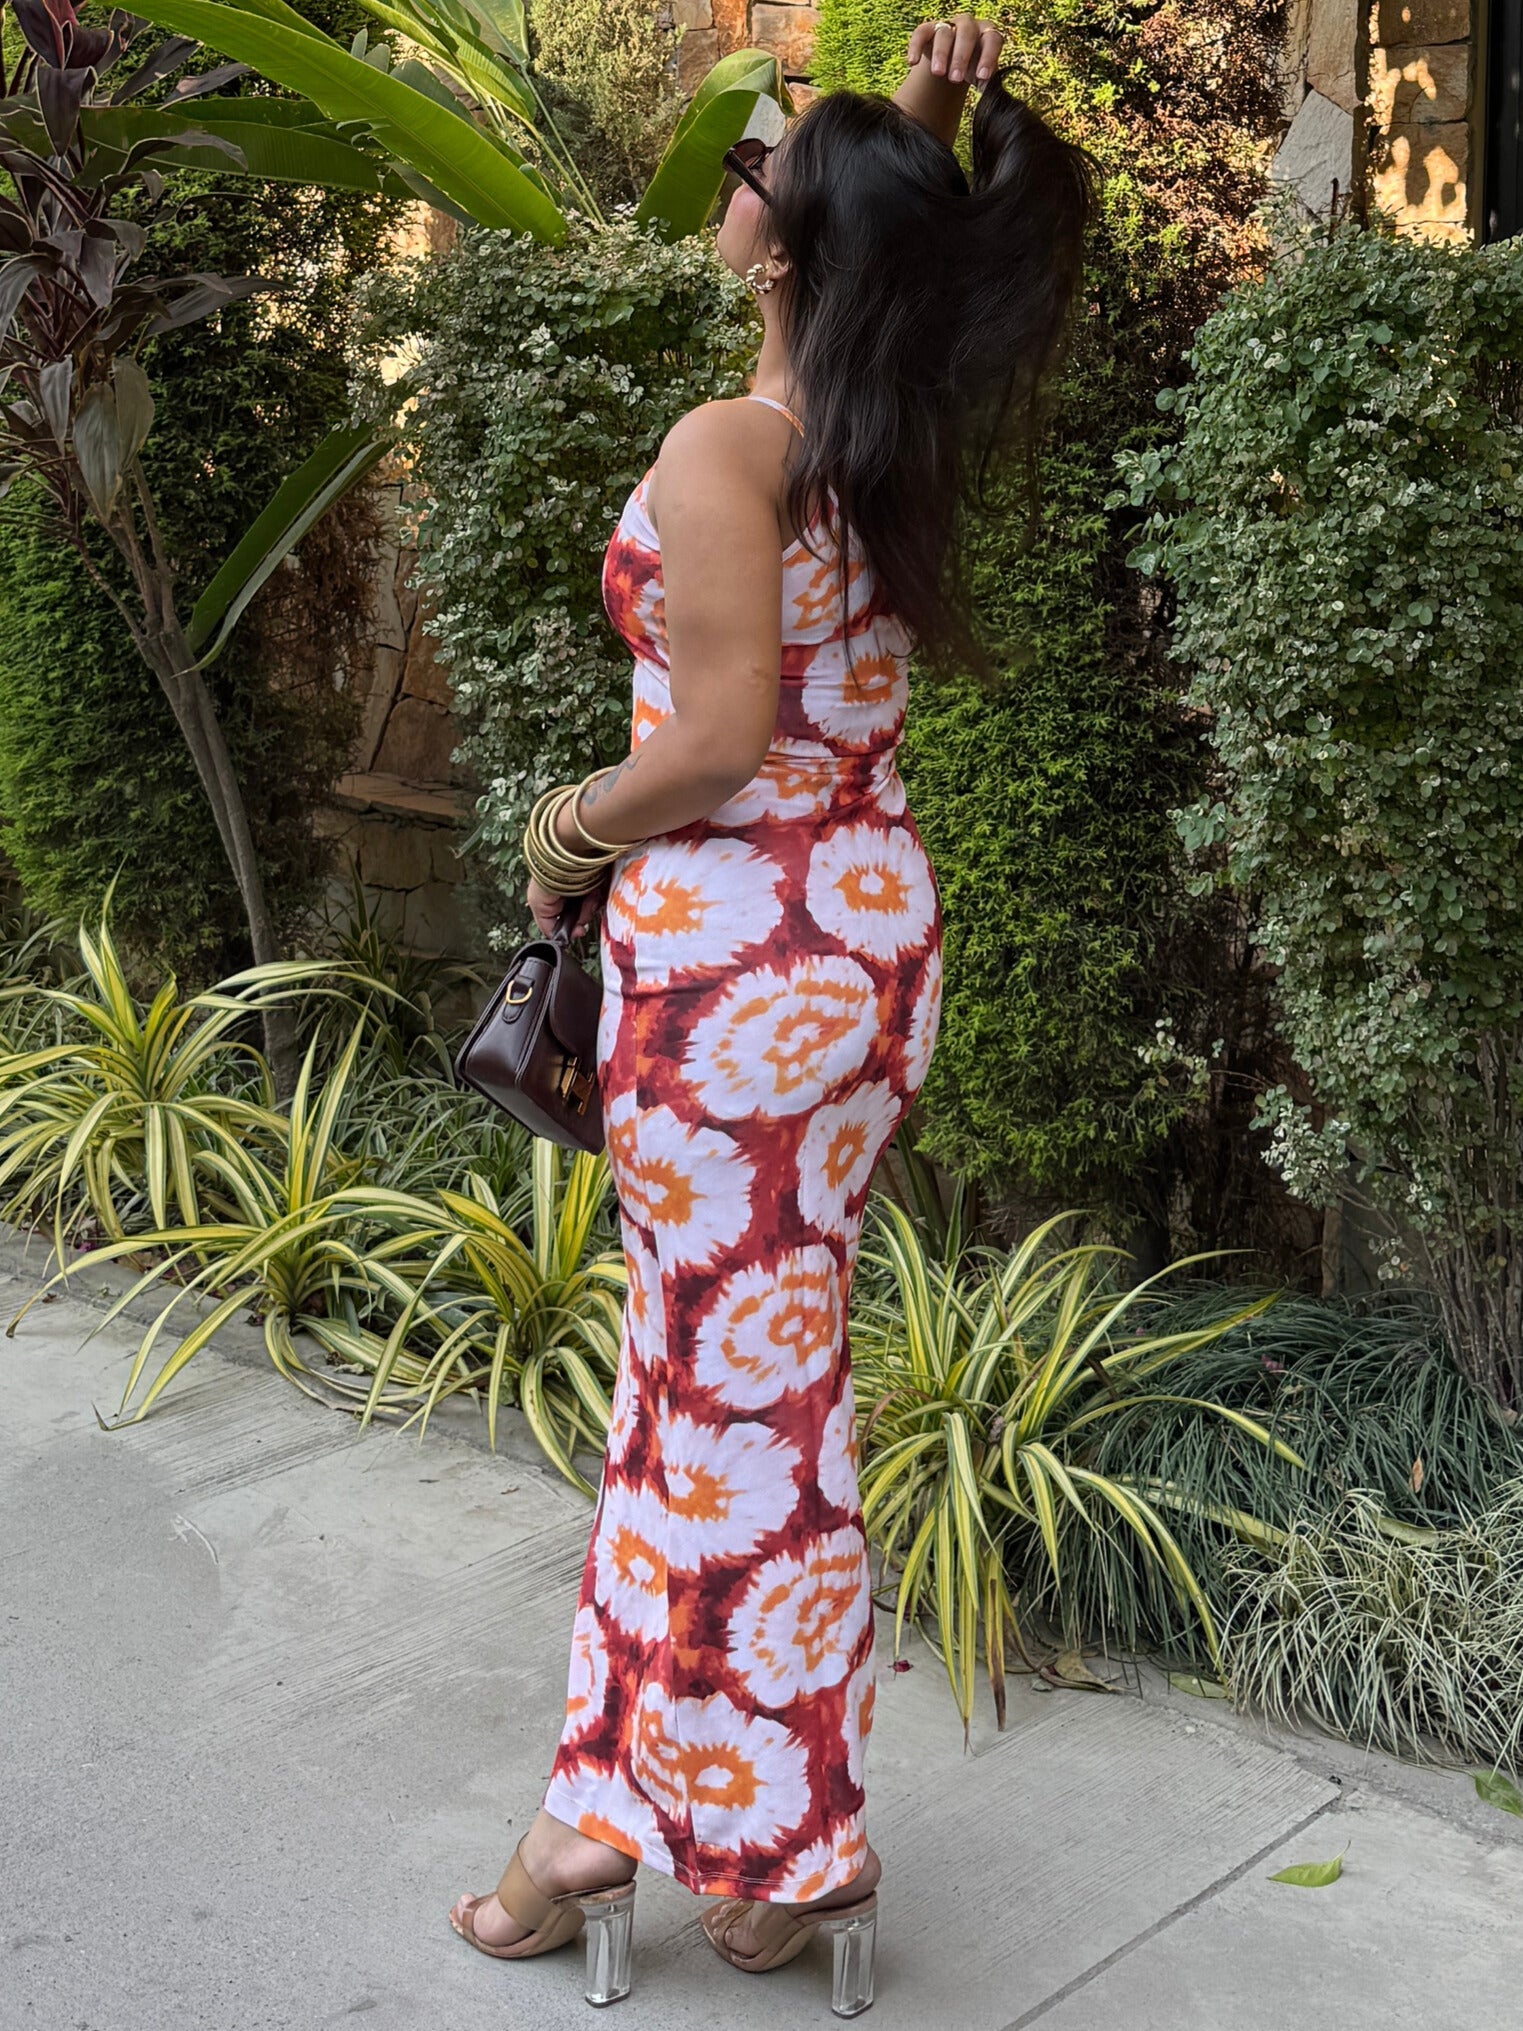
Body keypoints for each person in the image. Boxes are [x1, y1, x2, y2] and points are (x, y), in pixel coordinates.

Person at [449, 11, 1093, 2013]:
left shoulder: (729, 449)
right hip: (851, 939)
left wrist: (564, 826)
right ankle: (635, 1807)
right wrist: (923, 124)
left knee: (735, 1401)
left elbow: (717, 736)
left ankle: (772, 1833)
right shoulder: (874, 427)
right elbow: (883, 260)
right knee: (717, 1381)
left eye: (762, 167)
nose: (733, 180)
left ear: (795, 244)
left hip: (736, 965)